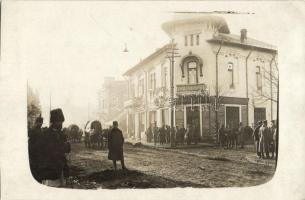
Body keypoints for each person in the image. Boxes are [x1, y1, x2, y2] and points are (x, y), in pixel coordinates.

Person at [41, 108, 71, 187]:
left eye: (62, 122)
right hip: (50, 170)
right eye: (59, 122)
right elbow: (51, 151)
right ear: (53, 122)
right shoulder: (46, 134)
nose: (61, 124)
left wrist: (66, 172)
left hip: (60, 170)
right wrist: (65, 146)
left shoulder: (61, 134)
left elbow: (63, 155)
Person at [28, 115, 44, 183]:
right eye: (40, 123)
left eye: (41, 123)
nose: (40, 124)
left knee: (37, 169)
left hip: (37, 153)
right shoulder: (35, 130)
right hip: (35, 153)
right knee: (35, 169)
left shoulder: (39, 130)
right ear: (37, 122)